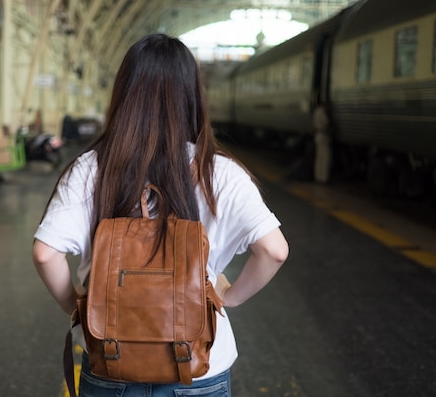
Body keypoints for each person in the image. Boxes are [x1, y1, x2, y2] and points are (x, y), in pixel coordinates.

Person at [32, 34, 289, 397]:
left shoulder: (91, 168)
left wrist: (77, 305)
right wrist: (226, 298)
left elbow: (46, 252)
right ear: (192, 95)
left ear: (124, 93)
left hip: (110, 363)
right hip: (199, 369)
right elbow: (274, 251)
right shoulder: (220, 172)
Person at [313, 103, 332, 184]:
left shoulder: (316, 112)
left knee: (319, 158)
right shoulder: (322, 113)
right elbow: (327, 123)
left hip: (318, 136)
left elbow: (313, 126)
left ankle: (318, 177)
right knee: (325, 158)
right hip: (323, 137)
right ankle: (324, 179)